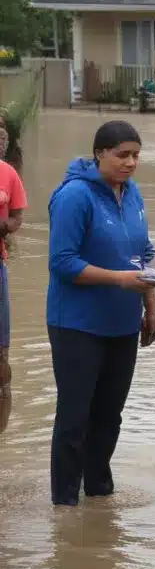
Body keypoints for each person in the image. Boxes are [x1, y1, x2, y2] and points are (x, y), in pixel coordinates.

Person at [46, 121, 155, 507]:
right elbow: (62, 262)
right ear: (99, 154)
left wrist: (152, 299)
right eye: (123, 155)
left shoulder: (132, 193)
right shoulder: (74, 196)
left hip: (122, 323)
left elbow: (143, 249)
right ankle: (64, 504)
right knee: (75, 416)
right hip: (77, 323)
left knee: (110, 415)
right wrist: (118, 280)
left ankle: (98, 494)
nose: (131, 163)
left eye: (136, 155)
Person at [0, 115, 27, 399]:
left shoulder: (8, 173)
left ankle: (4, 409)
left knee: (1, 346)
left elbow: (18, 215)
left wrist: (6, 227)